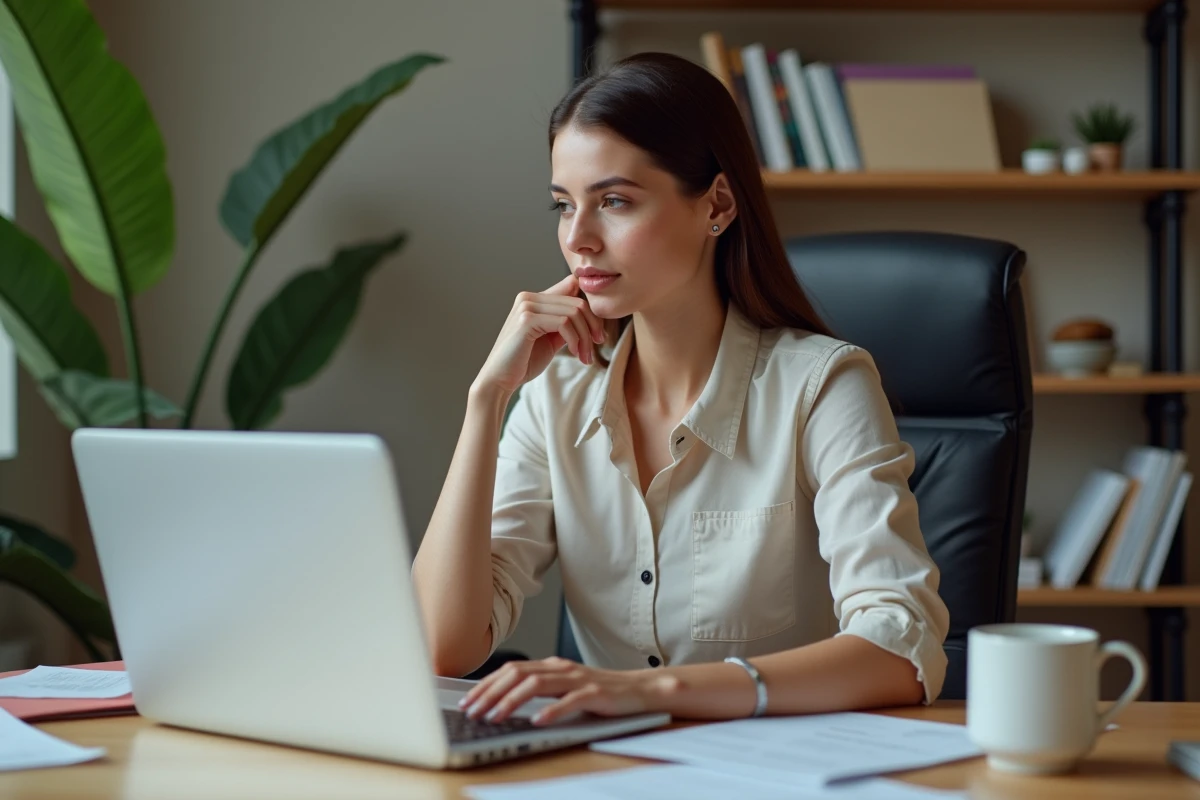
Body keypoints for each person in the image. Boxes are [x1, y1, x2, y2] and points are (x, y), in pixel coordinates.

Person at [411, 51, 950, 728]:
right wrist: (487, 399)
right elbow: (443, 647)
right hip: (612, 774)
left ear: (716, 204)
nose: (578, 239)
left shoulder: (823, 385)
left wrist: (653, 694)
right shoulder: (555, 397)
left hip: (784, 772)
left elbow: (899, 647)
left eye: (613, 202)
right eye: (562, 205)